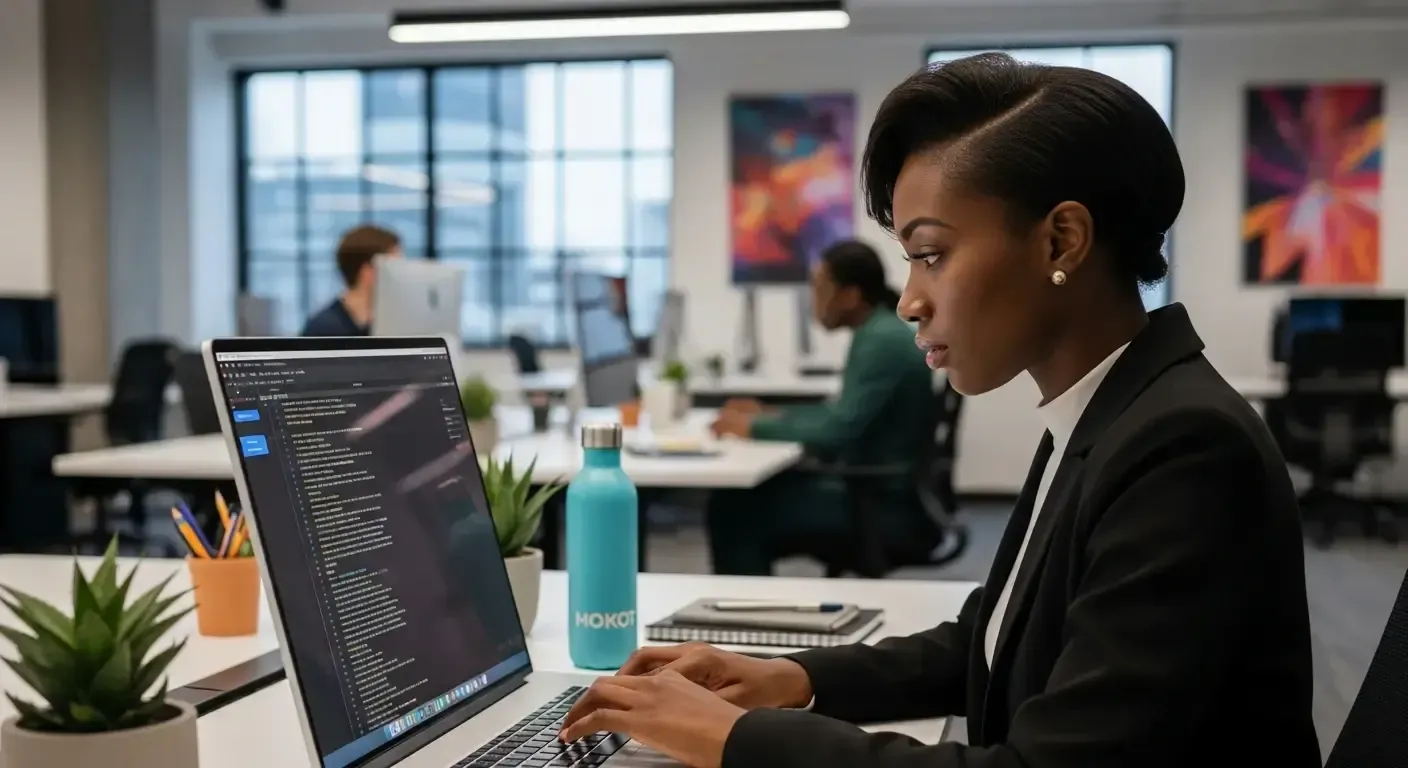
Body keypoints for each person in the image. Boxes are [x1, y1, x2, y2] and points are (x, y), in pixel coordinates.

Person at [557, 53, 1321, 768]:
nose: (911, 301)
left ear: (1062, 240)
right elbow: (986, 643)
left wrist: (742, 742)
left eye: (931, 254)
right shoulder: (1112, 415)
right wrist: (784, 677)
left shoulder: (1182, 447)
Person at [706, 239, 938, 575]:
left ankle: (742, 614)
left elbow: (837, 429)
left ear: (850, 295)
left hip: (883, 506)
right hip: (878, 491)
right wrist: (771, 414)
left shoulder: (881, 341)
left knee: (732, 511)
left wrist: (751, 427)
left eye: (819, 287)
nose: (813, 299)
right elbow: (841, 413)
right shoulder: (879, 330)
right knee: (741, 500)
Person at [301, 224, 402, 336]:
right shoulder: (322, 330)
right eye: (395, 266)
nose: (401, 275)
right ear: (368, 271)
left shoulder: (391, 323)